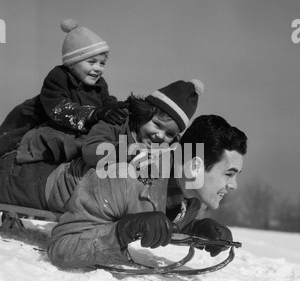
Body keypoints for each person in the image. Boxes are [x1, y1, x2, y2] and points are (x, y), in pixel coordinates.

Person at [46, 114, 247, 270]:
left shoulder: (190, 189)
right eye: (228, 174)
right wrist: (122, 231)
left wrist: (196, 229)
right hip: (38, 182)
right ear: (195, 166)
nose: (233, 185)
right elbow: (61, 249)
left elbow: (160, 205)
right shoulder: (122, 178)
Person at [0, 79, 203, 211]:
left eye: (170, 134)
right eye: (157, 125)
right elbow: (91, 151)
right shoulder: (117, 123)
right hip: (47, 170)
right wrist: (130, 153)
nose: (160, 136)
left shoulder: (164, 153)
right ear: (145, 115)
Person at [0, 19, 127, 158]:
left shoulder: (99, 83)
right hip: (30, 119)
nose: (98, 68)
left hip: (66, 125)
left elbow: (106, 101)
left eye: (102, 63)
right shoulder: (58, 77)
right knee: (9, 149)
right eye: (91, 62)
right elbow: (60, 109)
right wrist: (93, 114)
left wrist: (116, 108)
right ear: (72, 63)